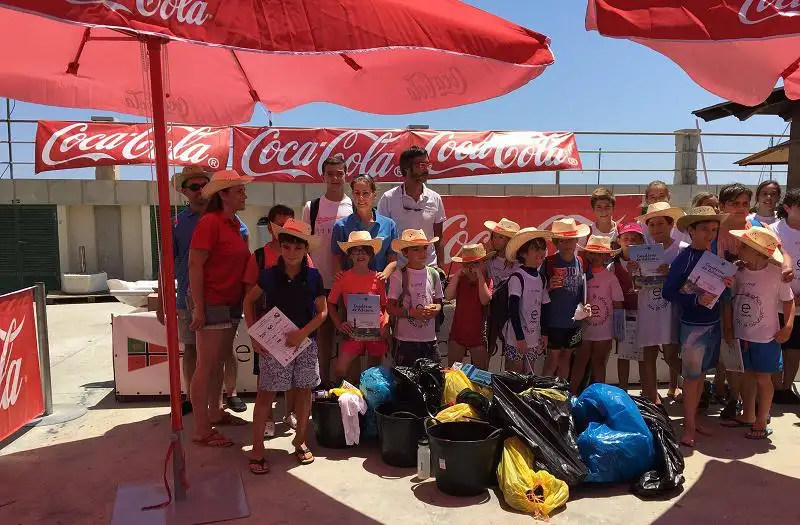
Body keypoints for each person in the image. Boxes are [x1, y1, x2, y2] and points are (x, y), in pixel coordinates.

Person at [243, 218, 327, 473]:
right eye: (286, 247)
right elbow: (248, 302)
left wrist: (302, 334)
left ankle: (300, 441)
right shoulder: (269, 275)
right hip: (273, 344)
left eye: (297, 248)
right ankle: (257, 449)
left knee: (304, 392)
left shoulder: (314, 276)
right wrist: (254, 335)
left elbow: (321, 313)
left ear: (306, 250)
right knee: (265, 394)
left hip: (306, 344)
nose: (291, 253)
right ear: (280, 247)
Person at [188, 170, 254, 447]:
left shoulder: (234, 223)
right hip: (213, 302)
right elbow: (194, 265)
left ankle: (215, 412)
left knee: (218, 364)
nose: (244, 194)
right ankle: (201, 428)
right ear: (223, 195)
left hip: (230, 303)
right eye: (239, 190)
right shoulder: (210, 223)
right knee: (206, 366)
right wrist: (199, 308)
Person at [243, 204, 314, 436]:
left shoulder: (307, 260)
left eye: (289, 224)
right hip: (268, 327)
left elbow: (311, 292)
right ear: (272, 228)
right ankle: (267, 420)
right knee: (265, 379)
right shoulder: (260, 256)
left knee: (296, 379)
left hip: (297, 328)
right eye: (280, 225)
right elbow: (249, 296)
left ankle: (290, 412)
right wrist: (254, 332)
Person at [663, 206, 730, 448]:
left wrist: (726, 284)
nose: (709, 234)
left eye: (713, 229)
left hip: (712, 325)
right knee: (692, 378)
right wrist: (694, 299)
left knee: (700, 376)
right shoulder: (685, 257)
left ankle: (694, 419)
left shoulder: (714, 259)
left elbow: (719, 292)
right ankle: (689, 426)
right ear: (691, 230)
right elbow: (668, 291)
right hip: (692, 327)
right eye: (704, 229)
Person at [724, 227, 794, 439]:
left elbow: (788, 301)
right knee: (746, 377)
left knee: (764, 379)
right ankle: (748, 414)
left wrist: (788, 326)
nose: (739, 249)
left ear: (760, 252)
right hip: (742, 335)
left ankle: (762, 420)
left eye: (745, 246)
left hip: (767, 337)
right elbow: (728, 299)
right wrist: (728, 328)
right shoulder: (737, 272)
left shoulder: (776, 275)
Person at [156, 166, 210, 416]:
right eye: (194, 187)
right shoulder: (175, 224)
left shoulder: (228, 219)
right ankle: (190, 396)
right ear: (185, 192)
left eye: (204, 185)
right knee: (190, 349)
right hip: (187, 296)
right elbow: (165, 264)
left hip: (220, 296)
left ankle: (225, 396)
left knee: (222, 350)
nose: (200, 191)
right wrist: (160, 300)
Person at [302, 156, 353, 387]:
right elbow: (304, 246)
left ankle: (345, 387)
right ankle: (322, 385)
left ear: (346, 175)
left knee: (349, 337)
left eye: (339, 173)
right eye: (330, 173)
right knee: (322, 339)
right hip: (319, 284)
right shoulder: (311, 207)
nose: (335, 178)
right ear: (323, 176)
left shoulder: (353, 206)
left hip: (348, 284)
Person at [635, 202, 686, 403]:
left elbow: (691, 279)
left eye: (660, 224)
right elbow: (636, 281)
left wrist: (674, 272)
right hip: (647, 307)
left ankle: (688, 385)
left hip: (672, 310)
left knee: (672, 353)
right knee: (648, 352)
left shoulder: (683, 249)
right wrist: (635, 272)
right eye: (652, 224)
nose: (656, 229)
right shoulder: (642, 251)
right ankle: (652, 397)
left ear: (671, 224)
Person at [328, 231, 389, 383]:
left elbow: (386, 306)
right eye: (355, 250)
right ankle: (347, 398)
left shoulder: (378, 278)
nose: (360, 254)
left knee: (373, 372)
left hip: (376, 330)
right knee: (341, 369)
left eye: (364, 250)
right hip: (353, 330)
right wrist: (339, 324)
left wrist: (385, 326)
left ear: (371, 254)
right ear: (349, 255)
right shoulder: (342, 278)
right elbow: (330, 303)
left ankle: (369, 401)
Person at [570, 235, 623, 394]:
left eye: (600, 254)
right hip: (584, 328)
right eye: (592, 253)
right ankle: (571, 395)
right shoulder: (581, 274)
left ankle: (600, 397)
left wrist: (619, 331)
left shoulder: (611, 278)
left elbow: (618, 304)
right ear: (587, 254)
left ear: (606, 256)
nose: (596, 257)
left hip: (604, 330)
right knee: (580, 361)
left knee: (599, 363)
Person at [377, 146, 446, 267]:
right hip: (397, 270)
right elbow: (382, 239)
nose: (426, 169)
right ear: (406, 168)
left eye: (427, 164)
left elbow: (438, 237)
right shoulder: (388, 198)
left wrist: (441, 268)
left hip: (429, 268)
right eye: (421, 165)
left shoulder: (435, 198)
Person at [542, 218, 591, 379]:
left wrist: (586, 306)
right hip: (554, 322)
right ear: (556, 243)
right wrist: (549, 286)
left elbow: (584, 291)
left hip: (574, 322)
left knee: (566, 360)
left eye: (571, 239)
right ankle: (543, 397)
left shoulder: (581, 262)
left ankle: (563, 396)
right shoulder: (549, 262)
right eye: (563, 241)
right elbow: (538, 292)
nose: (568, 244)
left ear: (576, 240)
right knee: (552, 363)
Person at [387, 229, 444, 366]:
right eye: (416, 249)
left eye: (425, 248)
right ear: (405, 252)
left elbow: (439, 302)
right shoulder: (398, 275)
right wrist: (410, 312)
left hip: (429, 340)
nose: (422, 253)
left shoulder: (434, 274)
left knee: (432, 381)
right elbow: (390, 308)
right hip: (405, 340)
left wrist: (436, 309)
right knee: (405, 382)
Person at [502, 227, 551, 373]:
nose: (540, 253)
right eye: (535, 249)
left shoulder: (541, 278)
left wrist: (545, 333)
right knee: (514, 376)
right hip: (516, 339)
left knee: (529, 376)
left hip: (533, 339)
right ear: (523, 253)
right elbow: (513, 309)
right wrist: (519, 337)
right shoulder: (517, 277)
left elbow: (545, 307)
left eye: (542, 249)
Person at [332, 174, 398, 278]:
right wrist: (340, 277)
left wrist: (384, 275)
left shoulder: (389, 225)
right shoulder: (341, 226)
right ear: (352, 195)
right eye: (357, 193)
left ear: (374, 195)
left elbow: (393, 259)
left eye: (366, 193)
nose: (361, 198)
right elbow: (336, 257)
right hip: (350, 288)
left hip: (379, 287)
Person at [770, 188, 800, 404]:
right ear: (787, 208)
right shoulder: (771, 230)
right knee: (774, 345)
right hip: (773, 301)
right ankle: (772, 388)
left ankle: (786, 388)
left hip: (799, 304)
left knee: (794, 348)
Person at [445, 244, 493, 370]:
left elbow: (485, 300)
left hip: (477, 337)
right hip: (457, 335)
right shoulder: (460, 280)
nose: (472, 268)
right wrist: (457, 275)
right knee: (453, 374)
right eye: (467, 264)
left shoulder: (486, 281)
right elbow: (448, 296)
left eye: (476, 263)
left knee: (481, 377)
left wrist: (480, 276)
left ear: (483, 263)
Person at [612, 222, 646, 391]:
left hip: (644, 313)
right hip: (622, 314)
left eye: (635, 238)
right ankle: (623, 390)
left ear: (641, 241)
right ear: (619, 241)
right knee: (623, 355)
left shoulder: (649, 261)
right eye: (626, 238)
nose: (630, 241)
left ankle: (647, 391)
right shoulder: (613, 265)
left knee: (644, 356)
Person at [484, 218, 521, 356]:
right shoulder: (489, 260)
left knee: (509, 345)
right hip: (491, 309)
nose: (495, 240)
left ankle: (507, 376)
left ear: (511, 241)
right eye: (494, 236)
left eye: (501, 237)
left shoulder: (518, 263)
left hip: (510, 309)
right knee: (488, 343)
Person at [644, 180, 690, 245]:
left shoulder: (682, 217)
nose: (658, 200)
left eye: (662, 196)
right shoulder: (641, 223)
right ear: (647, 199)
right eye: (653, 197)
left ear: (668, 197)